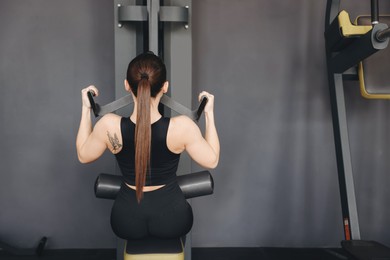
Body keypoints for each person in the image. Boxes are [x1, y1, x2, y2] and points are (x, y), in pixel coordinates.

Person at [76, 52, 219, 241]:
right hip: (173, 221)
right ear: (165, 87)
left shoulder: (108, 125)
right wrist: (209, 114)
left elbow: (83, 155)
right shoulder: (183, 127)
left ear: (127, 85)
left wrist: (86, 109)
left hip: (125, 222)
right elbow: (212, 160)